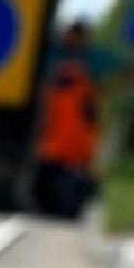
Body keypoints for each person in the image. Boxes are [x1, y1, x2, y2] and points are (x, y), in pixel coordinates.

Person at [32, 19, 129, 218]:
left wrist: (108, 88)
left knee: (73, 180)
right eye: (71, 34)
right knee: (49, 175)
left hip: (78, 136)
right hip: (51, 133)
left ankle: (67, 207)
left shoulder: (96, 57)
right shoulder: (52, 54)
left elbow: (127, 69)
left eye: (78, 35)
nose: (73, 39)